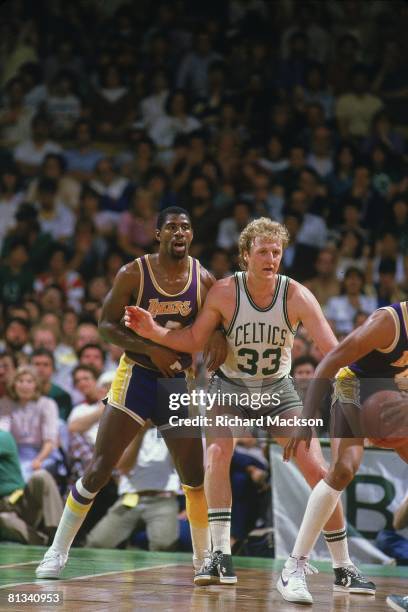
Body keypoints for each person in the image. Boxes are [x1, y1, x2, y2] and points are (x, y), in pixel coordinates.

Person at [124, 218, 373, 596]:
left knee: (319, 470)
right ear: (245, 256)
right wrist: (153, 331)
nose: (271, 258)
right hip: (231, 388)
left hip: (276, 390)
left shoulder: (297, 295)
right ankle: (220, 554)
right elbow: (192, 339)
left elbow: (334, 351)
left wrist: (366, 387)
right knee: (217, 452)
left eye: (276, 252)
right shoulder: (225, 292)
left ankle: (343, 565)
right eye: (263, 251)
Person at [36, 206, 226, 581]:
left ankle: (203, 560)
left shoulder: (202, 277)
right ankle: (56, 552)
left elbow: (222, 313)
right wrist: (151, 348)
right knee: (99, 468)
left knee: (193, 477)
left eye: (185, 227)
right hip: (137, 376)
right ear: (157, 234)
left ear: (192, 235)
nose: (179, 232)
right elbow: (106, 326)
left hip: (177, 383)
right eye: (171, 226)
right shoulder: (133, 272)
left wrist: (217, 332)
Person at [283, 301, 408, 603]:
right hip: (353, 387)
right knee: (344, 469)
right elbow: (330, 363)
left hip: (394, 396)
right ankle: (294, 567)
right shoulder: (388, 322)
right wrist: (306, 419)